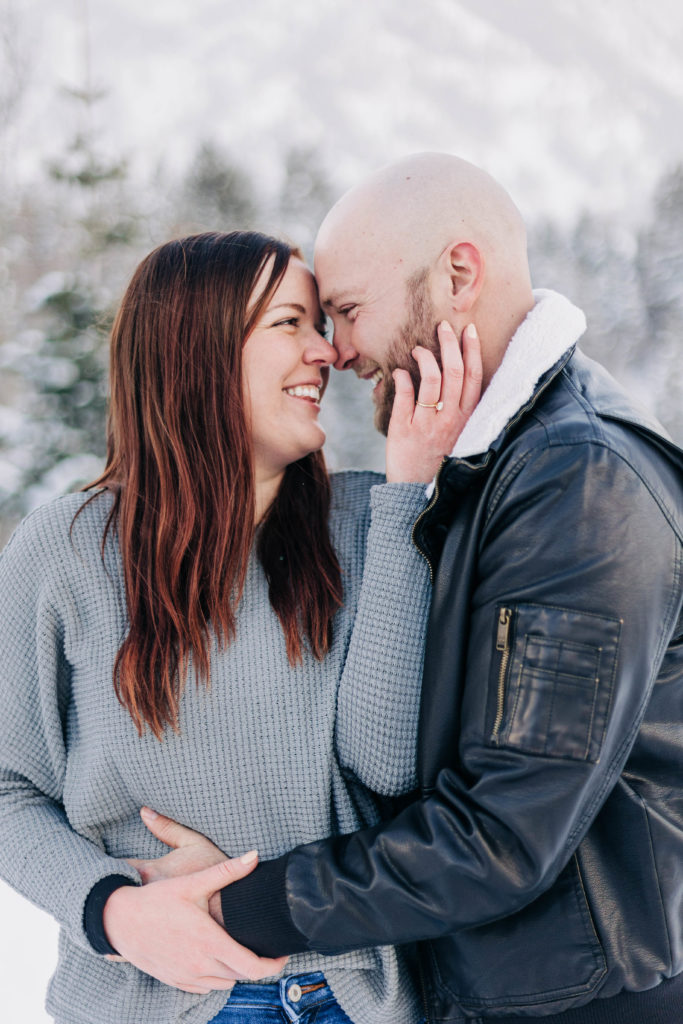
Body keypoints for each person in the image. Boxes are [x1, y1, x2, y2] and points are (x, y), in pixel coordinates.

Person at [121, 154, 683, 1023]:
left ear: (458, 274)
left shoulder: (579, 488)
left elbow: (500, 832)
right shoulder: (493, 463)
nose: (335, 351)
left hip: (576, 999)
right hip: (506, 983)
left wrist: (228, 904)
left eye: (346, 310)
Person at [0, 229, 483, 1024]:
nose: (326, 352)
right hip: (158, 1001)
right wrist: (114, 913)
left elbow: (387, 762)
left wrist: (409, 495)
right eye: (290, 323)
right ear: (197, 348)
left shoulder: (370, 520)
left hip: (352, 997)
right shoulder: (67, 550)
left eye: (321, 324)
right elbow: (13, 789)